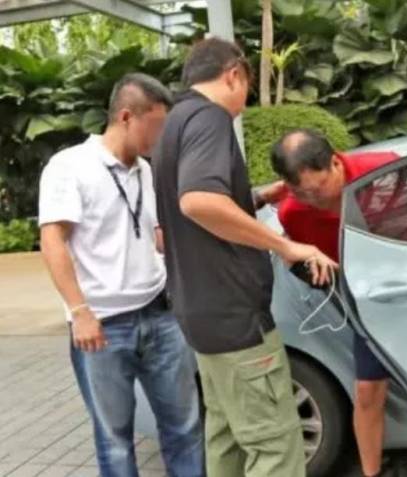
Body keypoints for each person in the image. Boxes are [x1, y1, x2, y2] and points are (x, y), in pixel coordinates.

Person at [151, 38, 336, 477]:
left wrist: (256, 197)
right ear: (234, 74)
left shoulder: (174, 123)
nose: (244, 103)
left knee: (228, 440)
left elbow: (180, 219)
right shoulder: (209, 118)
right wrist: (286, 246)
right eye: (247, 89)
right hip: (236, 320)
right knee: (276, 448)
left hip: (202, 318)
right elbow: (198, 202)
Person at [38, 73, 204, 477]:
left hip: (161, 316)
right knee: (114, 441)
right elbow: (53, 241)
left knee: (185, 429)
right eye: (157, 126)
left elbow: (155, 235)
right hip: (102, 327)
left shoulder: (146, 171)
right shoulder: (70, 167)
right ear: (127, 117)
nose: (161, 137)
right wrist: (80, 312)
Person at [263, 129, 407, 477]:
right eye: (302, 192)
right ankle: (371, 472)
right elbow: (306, 259)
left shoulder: (386, 172)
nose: (313, 199)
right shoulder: (294, 212)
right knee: (367, 390)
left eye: (318, 188)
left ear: (335, 163)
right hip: (369, 304)